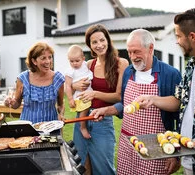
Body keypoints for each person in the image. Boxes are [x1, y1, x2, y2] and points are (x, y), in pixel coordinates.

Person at [135, 8, 195, 175]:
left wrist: (183, 148)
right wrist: (152, 99)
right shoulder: (191, 66)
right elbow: (179, 100)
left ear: (193, 37)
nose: (177, 41)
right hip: (190, 163)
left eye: (179, 36)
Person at [90, 28, 182, 175]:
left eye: (136, 51)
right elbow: (125, 103)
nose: (132, 57)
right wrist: (107, 110)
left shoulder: (170, 74)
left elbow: (179, 112)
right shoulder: (129, 72)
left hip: (156, 147)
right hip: (128, 143)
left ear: (150, 48)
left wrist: (175, 153)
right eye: (129, 52)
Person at [72, 24, 129, 175]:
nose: (99, 45)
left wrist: (95, 94)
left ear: (108, 40)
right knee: (82, 166)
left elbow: (119, 97)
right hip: (81, 119)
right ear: (89, 45)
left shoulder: (121, 63)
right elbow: (72, 86)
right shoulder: (89, 64)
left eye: (102, 40)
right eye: (94, 42)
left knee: (104, 169)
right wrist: (76, 85)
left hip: (102, 121)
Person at [4, 42, 65, 124]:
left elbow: (60, 105)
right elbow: (16, 104)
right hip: (28, 128)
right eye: (43, 58)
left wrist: (61, 114)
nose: (48, 61)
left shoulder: (58, 79)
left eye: (50, 57)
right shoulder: (22, 79)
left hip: (51, 127)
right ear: (34, 61)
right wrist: (9, 103)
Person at [65, 44, 93, 139]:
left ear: (83, 58)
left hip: (90, 91)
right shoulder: (70, 71)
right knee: (84, 109)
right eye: (71, 61)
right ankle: (82, 127)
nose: (74, 63)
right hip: (80, 95)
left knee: (89, 109)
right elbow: (68, 86)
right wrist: (70, 99)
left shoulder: (86, 65)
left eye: (77, 61)